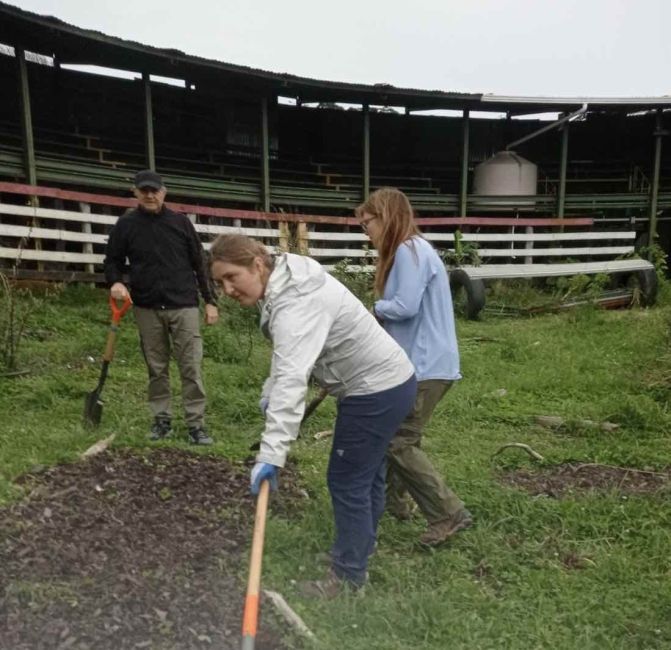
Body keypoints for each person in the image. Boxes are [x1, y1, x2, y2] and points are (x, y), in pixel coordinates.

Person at [209, 234, 417, 597]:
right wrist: (270, 392)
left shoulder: (296, 302)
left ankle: (349, 577)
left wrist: (272, 454)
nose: (227, 289)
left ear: (257, 265)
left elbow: (293, 378)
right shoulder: (285, 281)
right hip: (391, 381)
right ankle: (360, 549)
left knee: (347, 480)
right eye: (219, 282)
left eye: (231, 277)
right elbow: (289, 358)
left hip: (375, 391)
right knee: (367, 477)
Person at [355, 187, 472, 547]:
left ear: (386, 217)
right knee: (399, 434)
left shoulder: (408, 250)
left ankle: (447, 513)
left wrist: (375, 309)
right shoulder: (415, 251)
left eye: (368, 222)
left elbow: (404, 307)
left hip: (424, 365)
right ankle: (395, 504)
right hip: (424, 364)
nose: (366, 232)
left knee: (397, 441)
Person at [104, 169, 219, 445]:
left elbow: (200, 263)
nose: (150, 195)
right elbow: (112, 261)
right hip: (146, 306)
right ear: (135, 193)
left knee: (190, 366)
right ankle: (161, 420)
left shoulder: (180, 223)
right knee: (156, 368)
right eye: (144, 190)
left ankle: (196, 425)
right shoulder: (126, 225)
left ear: (164, 192)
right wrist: (116, 282)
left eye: (154, 190)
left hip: (184, 305)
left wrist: (210, 300)